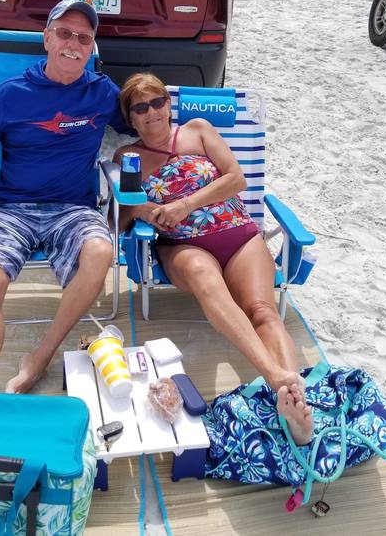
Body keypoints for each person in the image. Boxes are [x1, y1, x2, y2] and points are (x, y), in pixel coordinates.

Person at [0, 0, 130, 395]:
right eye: (64, 33)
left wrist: (185, 131)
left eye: (84, 38)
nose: (73, 44)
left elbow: (141, 120)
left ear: (91, 48)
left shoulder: (102, 93)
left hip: (72, 208)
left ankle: (41, 356)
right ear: (47, 39)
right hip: (12, 209)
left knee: (101, 252)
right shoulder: (11, 93)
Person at [114, 73, 313, 444]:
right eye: (140, 108)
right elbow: (122, 216)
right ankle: (277, 379)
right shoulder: (128, 157)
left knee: (263, 312)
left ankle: (295, 403)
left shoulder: (198, 130)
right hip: (183, 245)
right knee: (208, 282)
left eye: (157, 102)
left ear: (168, 105)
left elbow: (236, 179)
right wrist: (142, 210)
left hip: (238, 234)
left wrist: (185, 204)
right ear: (131, 118)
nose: (152, 112)